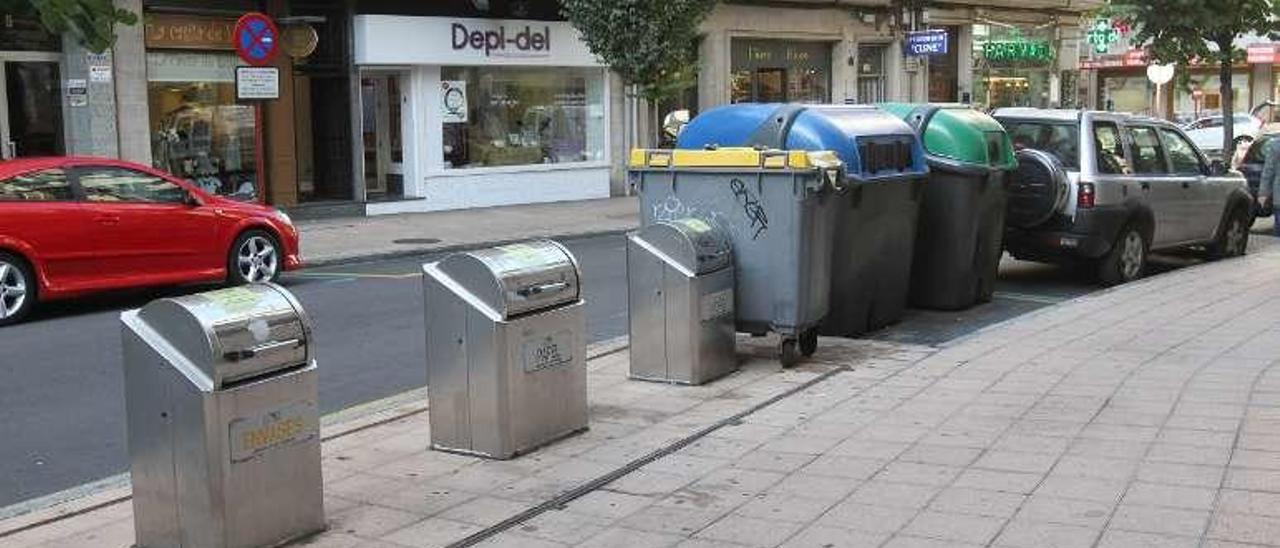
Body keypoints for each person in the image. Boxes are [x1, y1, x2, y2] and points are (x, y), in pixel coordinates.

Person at [1259, 136, 1280, 236]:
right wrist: (1263, 193)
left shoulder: (1275, 144)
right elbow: (1268, 171)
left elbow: (1268, 171)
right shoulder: (1276, 145)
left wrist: (1263, 193)